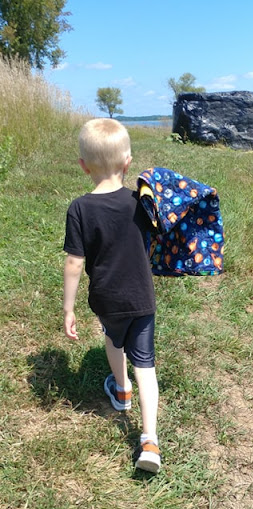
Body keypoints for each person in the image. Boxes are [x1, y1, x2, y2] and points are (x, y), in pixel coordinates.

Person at [63, 118, 160, 473]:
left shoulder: (79, 208)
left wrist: (68, 308)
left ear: (83, 166)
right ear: (128, 162)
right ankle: (149, 439)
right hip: (142, 296)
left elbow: (75, 262)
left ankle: (121, 392)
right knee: (146, 365)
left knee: (113, 340)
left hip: (107, 298)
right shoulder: (140, 202)